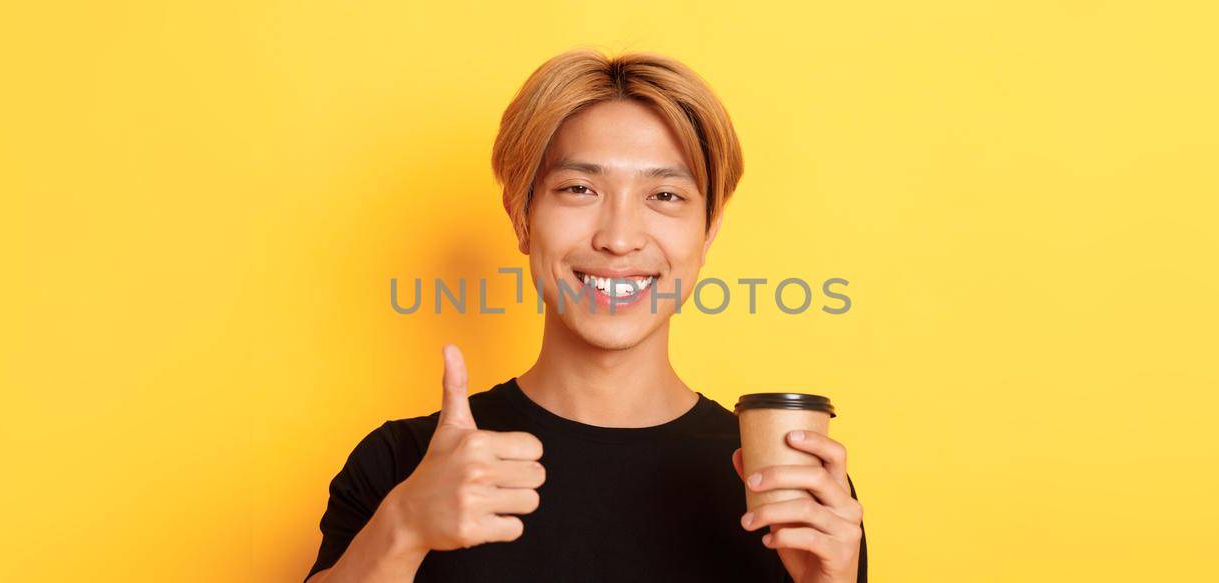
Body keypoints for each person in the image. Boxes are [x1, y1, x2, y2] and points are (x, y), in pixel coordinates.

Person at [305, 48, 867, 583]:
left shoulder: (788, 492)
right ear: (522, 218)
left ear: (708, 230)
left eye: (665, 196)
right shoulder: (405, 464)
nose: (619, 238)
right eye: (579, 188)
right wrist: (402, 529)